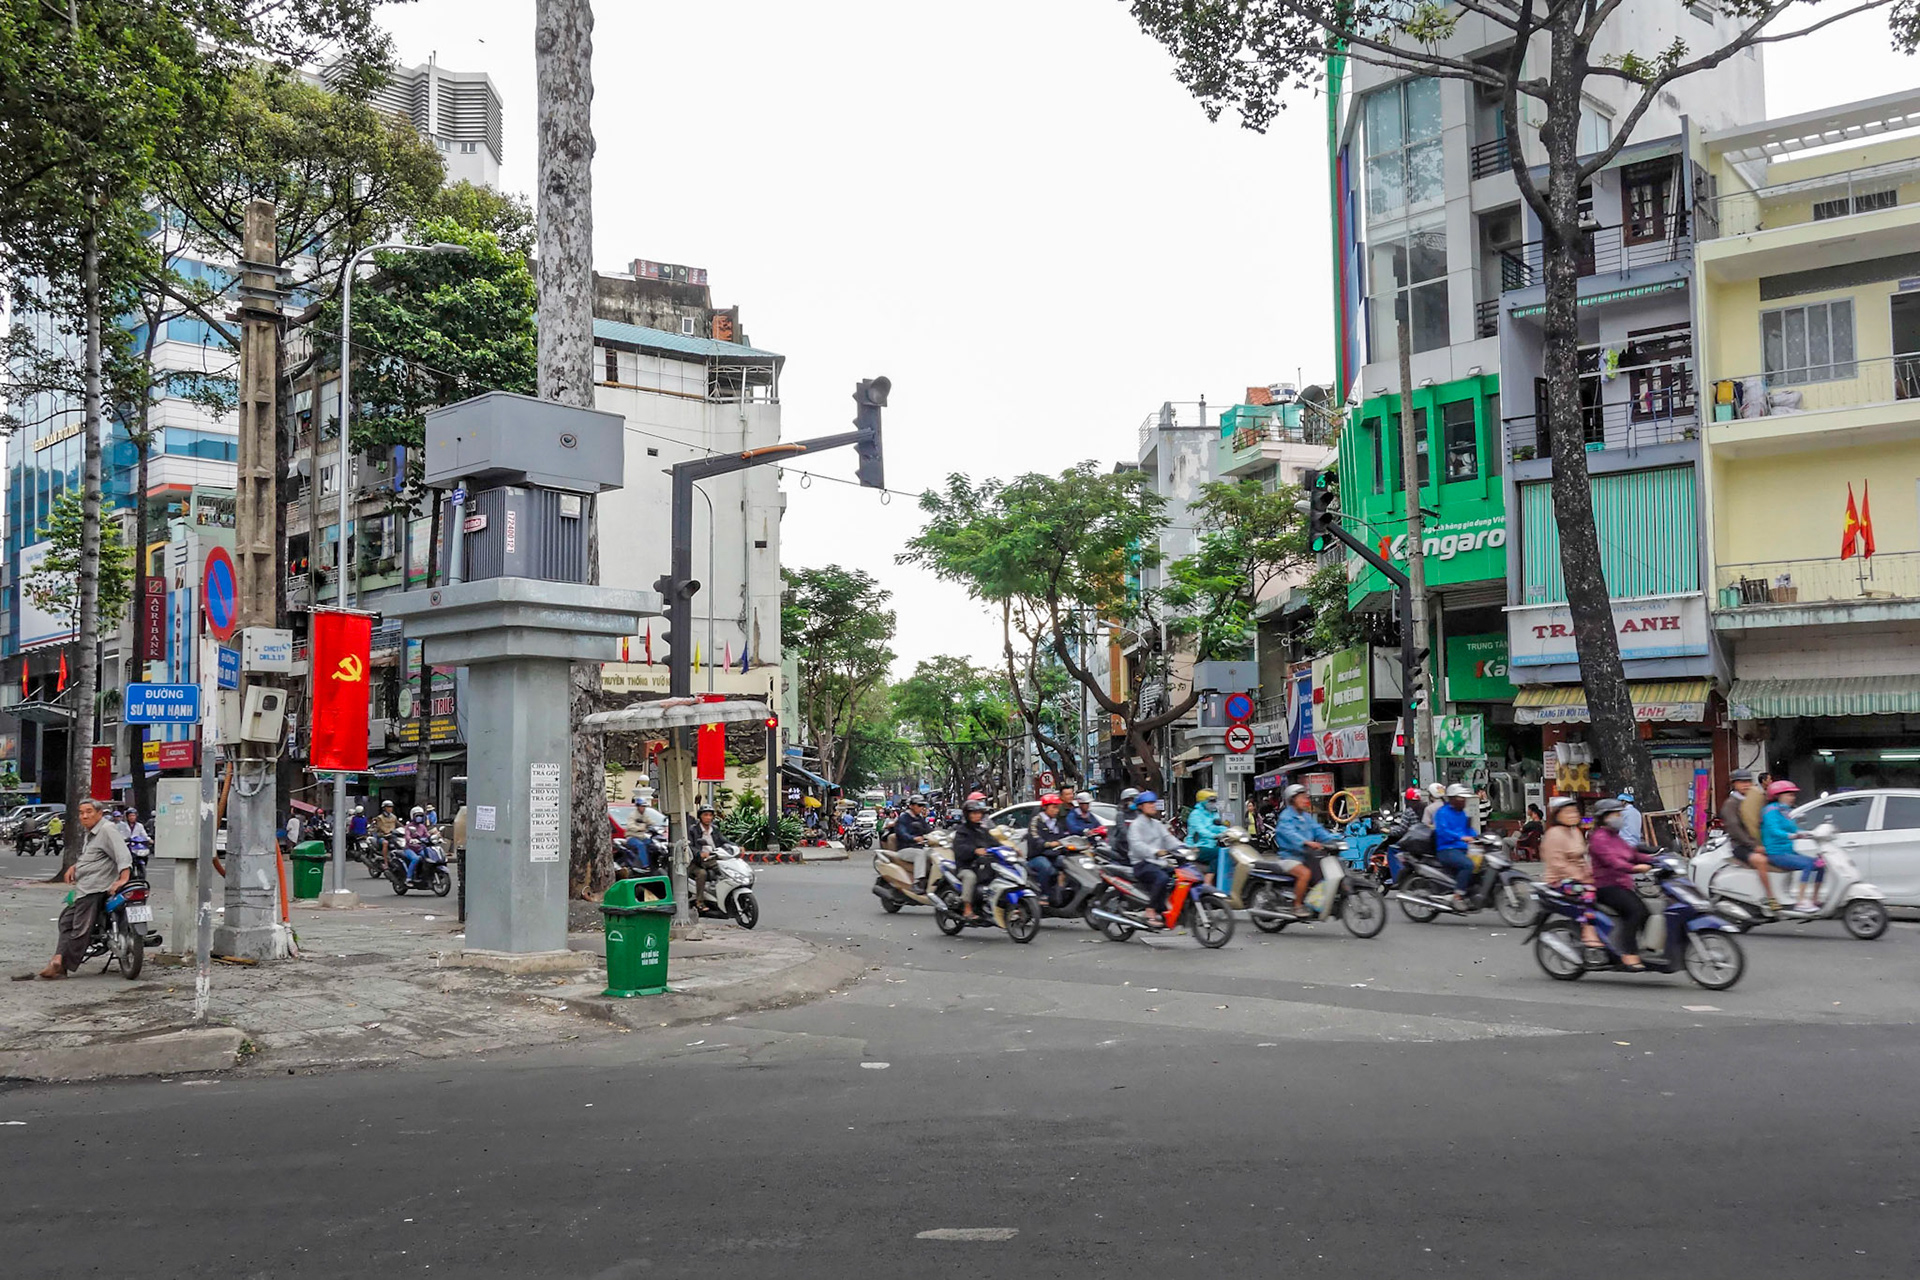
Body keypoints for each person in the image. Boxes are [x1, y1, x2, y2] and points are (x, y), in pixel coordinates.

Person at [36, 799, 132, 979]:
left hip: (96, 887)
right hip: (85, 887)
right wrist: (75, 867)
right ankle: (58, 959)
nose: (84, 816)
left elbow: (123, 854)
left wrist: (123, 879)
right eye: (81, 812)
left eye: (89, 811)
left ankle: (62, 964)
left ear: (99, 813)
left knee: (81, 928)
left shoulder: (106, 829)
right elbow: (92, 856)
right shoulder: (92, 833)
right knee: (66, 920)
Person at [1588, 798, 1651, 970]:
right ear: (1605, 817)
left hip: (1622, 884)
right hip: (1607, 886)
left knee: (1647, 911)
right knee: (1635, 912)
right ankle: (1628, 953)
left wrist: (1656, 859)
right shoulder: (1599, 838)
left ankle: (1646, 947)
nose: (1620, 817)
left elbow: (1632, 853)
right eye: (1616, 814)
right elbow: (1614, 862)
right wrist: (1636, 868)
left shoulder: (1615, 837)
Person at [1538, 797, 1600, 949]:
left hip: (1579, 877)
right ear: (1558, 815)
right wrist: (1581, 877)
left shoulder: (1575, 832)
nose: (1573, 815)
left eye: (1575, 811)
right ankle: (1588, 929)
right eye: (1568, 812)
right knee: (1589, 892)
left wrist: (1590, 873)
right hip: (1559, 880)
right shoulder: (1554, 834)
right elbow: (1558, 864)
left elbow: (1582, 858)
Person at [1759, 779, 1822, 912]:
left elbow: (1793, 829)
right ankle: (1800, 901)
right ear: (1778, 796)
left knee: (1821, 865)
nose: (1792, 797)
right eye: (1789, 794)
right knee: (1808, 864)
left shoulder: (1784, 810)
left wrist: (1807, 833)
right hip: (1776, 853)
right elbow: (1773, 830)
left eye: (1793, 795)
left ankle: (1815, 899)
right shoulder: (1770, 810)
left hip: (1788, 850)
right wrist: (1791, 836)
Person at [1718, 769, 1775, 910]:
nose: (1746, 785)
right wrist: (1753, 846)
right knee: (1761, 861)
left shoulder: (1755, 799)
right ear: (1734, 784)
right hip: (1741, 845)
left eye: (1748, 781)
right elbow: (1735, 829)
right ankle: (1771, 898)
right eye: (1742, 782)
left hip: (1759, 841)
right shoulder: (1731, 804)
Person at [1125, 791, 1181, 927]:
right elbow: (1137, 845)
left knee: (1178, 875)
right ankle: (1150, 909)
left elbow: (1169, 839)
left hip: (1157, 862)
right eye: (1149, 804)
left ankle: (1164, 907)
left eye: (1153, 803)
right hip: (1141, 863)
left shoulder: (1157, 824)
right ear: (1141, 807)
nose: (1153, 806)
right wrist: (1156, 852)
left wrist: (1184, 847)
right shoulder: (1136, 825)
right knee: (1161, 878)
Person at [1270, 784, 1327, 917]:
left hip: (1307, 856)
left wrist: (1336, 839)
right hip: (1290, 857)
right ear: (1292, 799)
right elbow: (1289, 834)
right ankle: (1297, 905)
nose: (1305, 800)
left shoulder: (1306, 817)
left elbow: (1318, 830)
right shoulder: (1286, 817)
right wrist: (1305, 842)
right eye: (1301, 797)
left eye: (1305, 797)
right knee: (1305, 874)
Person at [950, 797, 995, 920]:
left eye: (979, 813)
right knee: (970, 877)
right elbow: (960, 849)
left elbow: (995, 843)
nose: (977, 816)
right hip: (966, 866)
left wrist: (1010, 849)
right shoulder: (961, 831)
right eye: (974, 813)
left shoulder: (983, 831)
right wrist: (974, 851)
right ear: (967, 815)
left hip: (984, 864)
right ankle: (967, 908)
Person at [1433, 783, 1477, 905]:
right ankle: (1458, 896)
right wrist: (1461, 837)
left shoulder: (1462, 813)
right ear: (1453, 799)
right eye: (1461, 798)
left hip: (1463, 848)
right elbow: (1443, 831)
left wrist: (1476, 836)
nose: (1464, 801)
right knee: (1468, 865)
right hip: (1447, 849)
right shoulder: (1442, 813)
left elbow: (1468, 830)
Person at [1026, 794, 1070, 904]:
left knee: (1067, 863)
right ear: (1045, 807)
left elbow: (1065, 837)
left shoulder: (1057, 822)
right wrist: (1049, 844)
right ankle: (1043, 895)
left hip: (1054, 855)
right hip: (1037, 856)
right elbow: (1035, 839)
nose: (1056, 810)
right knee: (1045, 866)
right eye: (1053, 807)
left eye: (1057, 807)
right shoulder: (1036, 821)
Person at [893, 796, 935, 892]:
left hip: (919, 847)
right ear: (911, 806)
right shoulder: (903, 818)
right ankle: (917, 882)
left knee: (934, 853)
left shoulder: (919, 818)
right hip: (905, 849)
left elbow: (928, 830)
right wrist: (914, 838)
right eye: (919, 805)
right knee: (920, 854)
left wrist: (936, 836)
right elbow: (901, 833)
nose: (921, 808)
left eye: (922, 805)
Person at [1186, 789, 1226, 888]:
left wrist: (1228, 831)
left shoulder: (1213, 813)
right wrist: (1214, 835)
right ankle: (1208, 881)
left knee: (1229, 852)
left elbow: (1216, 826)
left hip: (1211, 846)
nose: (1213, 803)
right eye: (1211, 801)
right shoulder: (1195, 814)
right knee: (1221, 853)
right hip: (1197, 847)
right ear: (1203, 801)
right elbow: (1201, 830)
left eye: (1215, 801)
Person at [688, 804, 723, 903]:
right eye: (705, 815)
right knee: (702, 874)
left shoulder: (714, 829)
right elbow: (690, 846)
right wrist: (700, 853)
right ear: (700, 816)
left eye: (710, 815)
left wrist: (736, 847)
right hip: (697, 862)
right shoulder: (693, 830)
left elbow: (723, 840)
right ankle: (700, 901)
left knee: (726, 868)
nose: (708, 818)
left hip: (713, 858)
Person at [399, 806, 434, 882]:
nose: (419, 818)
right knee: (416, 858)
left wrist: (434, 838)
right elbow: (407, 836)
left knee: (429, 857)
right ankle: (409, 878)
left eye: (421, 816)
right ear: (413, 816)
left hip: (420, 848)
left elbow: (427, 835)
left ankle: (424, 875)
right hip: (410, 849)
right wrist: (411, 840)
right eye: (417, 816)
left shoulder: (422, 827)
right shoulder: (409, 827)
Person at [1109, 788, 1139, 860]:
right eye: (1132, 800)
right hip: (1122, 846)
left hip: (1135, 847)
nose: (1134, 802)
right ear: (1125, 801)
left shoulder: (1138, 814)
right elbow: (1123, 831)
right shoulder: (1121, 815)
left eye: (1135, 800)